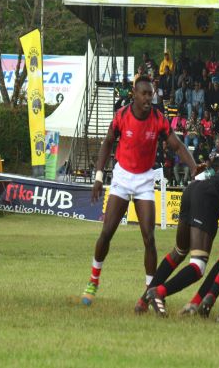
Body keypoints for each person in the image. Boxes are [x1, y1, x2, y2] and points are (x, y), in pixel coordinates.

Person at [83, 75, 199, 310]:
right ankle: (94, 280)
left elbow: (176, 145)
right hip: (122, 178)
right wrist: (98, 176)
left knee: (149, 237)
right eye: (144, 94)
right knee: (107, 232)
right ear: (134, 93)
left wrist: (195, 167)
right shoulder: (121, 116)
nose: (149, 98)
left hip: (145, 178)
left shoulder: (159, 119)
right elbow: (107, 143)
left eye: (151, 94)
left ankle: (149, 292)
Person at [143, 168, 219, 317]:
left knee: (179, 251)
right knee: (199, 265)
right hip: (207, 200)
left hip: (192, 189)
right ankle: (158, 292)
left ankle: (143, 301)